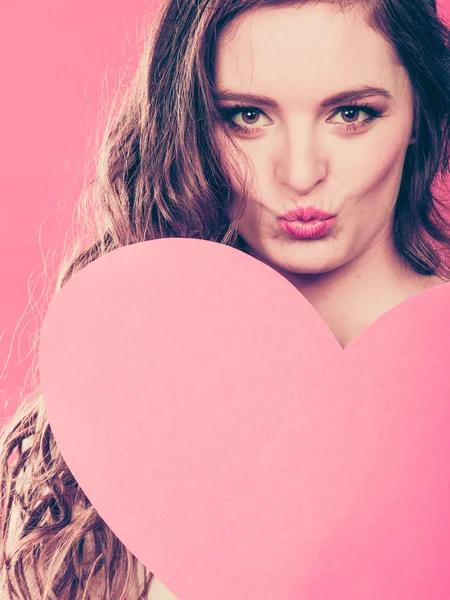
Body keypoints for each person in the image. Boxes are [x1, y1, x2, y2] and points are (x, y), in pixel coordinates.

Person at [1, 0, 449, 598]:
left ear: (420, 112)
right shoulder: (102, 400)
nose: (299, 171)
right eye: (246, 117)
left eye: (350, 113)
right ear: (190, 126)